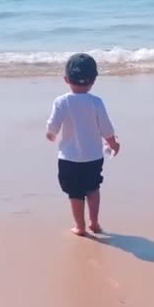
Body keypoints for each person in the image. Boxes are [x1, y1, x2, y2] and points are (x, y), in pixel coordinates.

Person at [46, 53, 120, 236]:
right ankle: (94, 223)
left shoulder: (61, 102)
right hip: (93, 157)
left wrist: (51, 134)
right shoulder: (96, 102)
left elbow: (53, 125)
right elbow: (106, 128)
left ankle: (79, 226)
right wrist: (113, 143)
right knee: (93, 189)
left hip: (68, 159)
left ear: (66, 79)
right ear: (94, 80)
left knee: (75, 193)